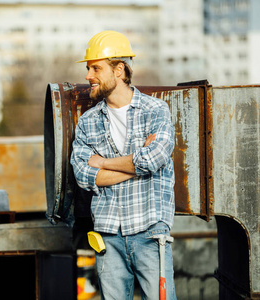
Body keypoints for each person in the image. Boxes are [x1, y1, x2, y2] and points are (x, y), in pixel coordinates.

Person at [70, 30, 177, 300]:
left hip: (150, 230)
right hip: (108, 234)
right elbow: (84, 175)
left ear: (119, 70)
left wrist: (104, 164)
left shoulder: (156, 111)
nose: (88, 76)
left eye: (95, 68)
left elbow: (154, 158)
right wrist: (136, 164)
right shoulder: (88, 121)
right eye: (88, 68)